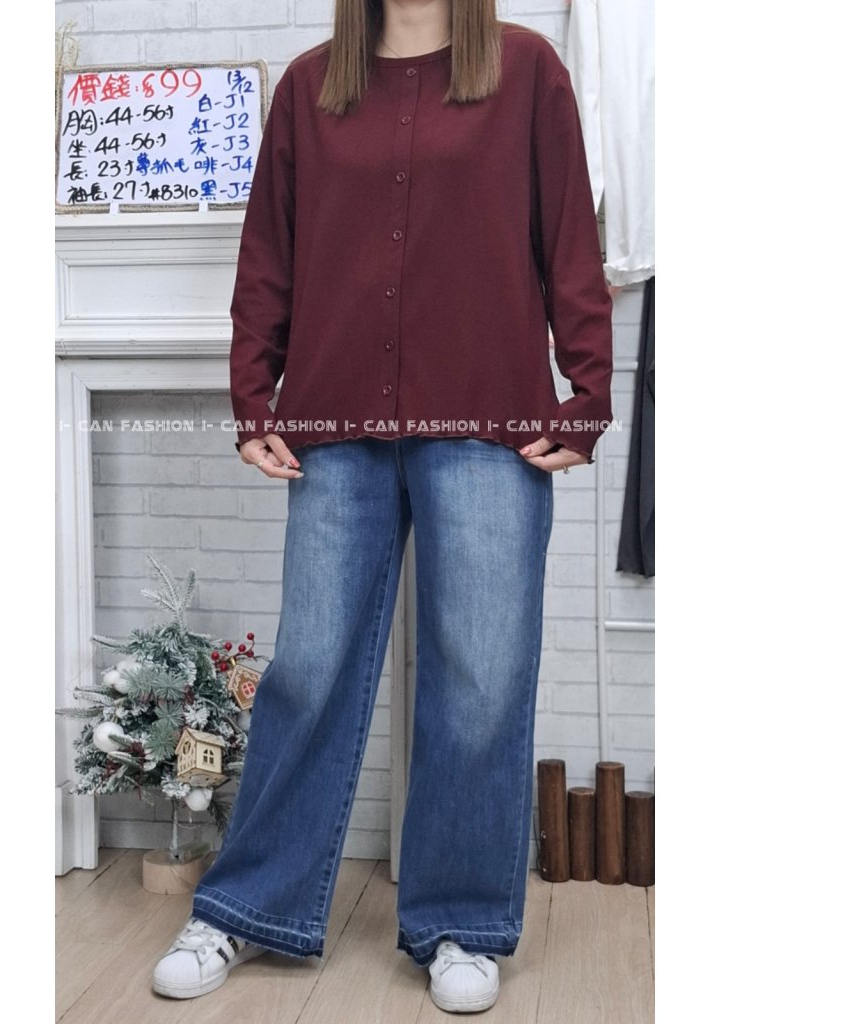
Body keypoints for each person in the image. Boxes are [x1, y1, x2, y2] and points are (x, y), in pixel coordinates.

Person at [152, 0, 613, 1014]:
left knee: (480, 676)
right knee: (309, 669)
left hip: (487, 420)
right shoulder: (309, 86)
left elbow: (569, 238)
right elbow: (268, 254)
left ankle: (462, 922)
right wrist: (252, 397)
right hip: (335, 424)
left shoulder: (527, 71)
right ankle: (247, 906)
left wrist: (586, 395)